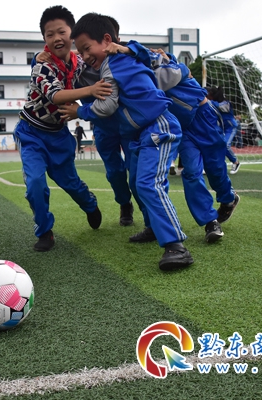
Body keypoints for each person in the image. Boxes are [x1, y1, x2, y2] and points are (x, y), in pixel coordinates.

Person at [61, 13, 193, 271]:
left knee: (148, 183)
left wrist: (79, 111)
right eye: (80, 51)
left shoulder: (114, 63)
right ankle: (153, 228)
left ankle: (176, 246)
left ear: (107, 40)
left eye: (87, 48)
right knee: (136, 183)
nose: (84, 56)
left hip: (158, 126)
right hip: (142, 133)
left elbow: (107, 106)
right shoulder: (120, 59)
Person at [111, 41, 240, 242]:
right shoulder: (131, 77)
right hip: (182, 126)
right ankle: (210, 222)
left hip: (203, 117)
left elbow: (166, 61)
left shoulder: (162, 62)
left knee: (216, 169)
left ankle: (228, 198)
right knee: (192, 172)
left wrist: (129, 49)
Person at [14, 5, 112, 252]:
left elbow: (96, 56)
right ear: (44, 38)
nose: (56, 38)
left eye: (61, 32)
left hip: (58, 136)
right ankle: (44, 231)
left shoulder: (79, 62)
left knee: (70, 182)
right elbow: (56, 95)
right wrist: (90, 90)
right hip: (31, 133)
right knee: (35, 183)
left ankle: (90, 205)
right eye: (50, 34)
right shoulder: (42, 65)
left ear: (72, 34)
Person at [207, 87, 241, 174]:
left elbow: (219, 107)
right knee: (216, 144)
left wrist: (207, 101)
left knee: (226, 144)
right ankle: (218, 165)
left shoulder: (225, 103)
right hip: (222, 128)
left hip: (231, 127)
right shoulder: (213, 104)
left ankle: (235, 162)